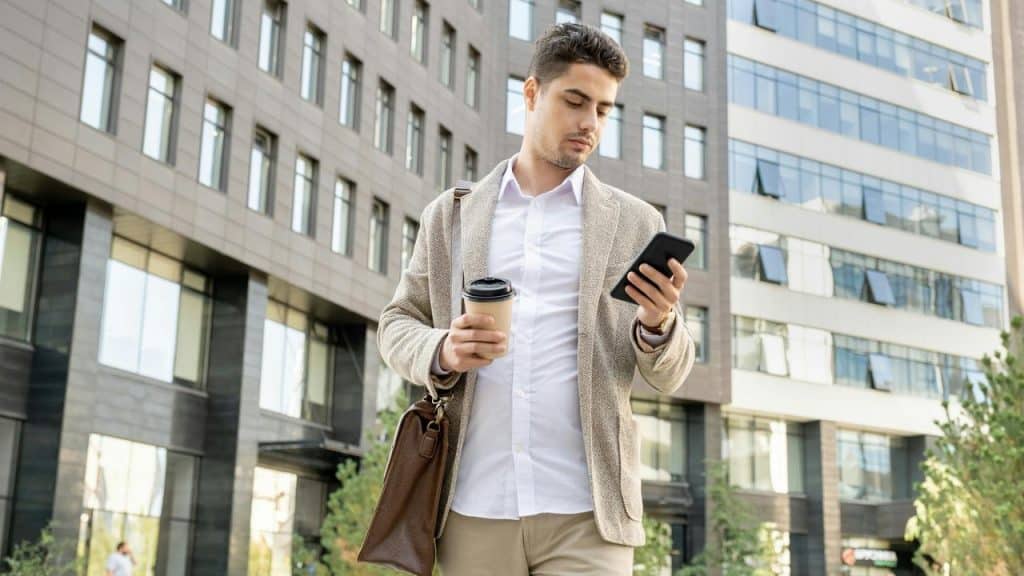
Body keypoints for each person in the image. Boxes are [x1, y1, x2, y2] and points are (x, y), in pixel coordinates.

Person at [377, 22, 696, 575]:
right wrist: (443, 350)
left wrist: (657, 321)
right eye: (575, 101)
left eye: (603, 109)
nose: (589, 123)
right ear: (531, 93)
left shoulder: (635, 223)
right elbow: (396, 323)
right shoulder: (452, 216)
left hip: (588, 511)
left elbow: (671, 374)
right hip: (474, 504)